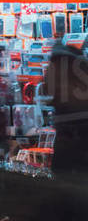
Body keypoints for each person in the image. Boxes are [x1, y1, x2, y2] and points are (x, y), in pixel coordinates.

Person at [44, 42, 88, 218]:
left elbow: (47, 93)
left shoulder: (54, 67)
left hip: (65, 136)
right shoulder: (80, 65)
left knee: (63, 186)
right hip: (83, 136)